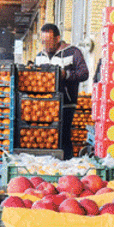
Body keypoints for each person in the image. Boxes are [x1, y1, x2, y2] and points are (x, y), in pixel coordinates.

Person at [34, 23, 89, 159]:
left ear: (58, 38)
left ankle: (67, 164)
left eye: (49, 41)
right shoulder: (39, 56)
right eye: (43, 41)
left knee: (63, 136)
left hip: (66, 103)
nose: (46, 44)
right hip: (45, 105)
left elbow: (84, 73)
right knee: (46, 136)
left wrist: (67, 75)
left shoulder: (73, 52)